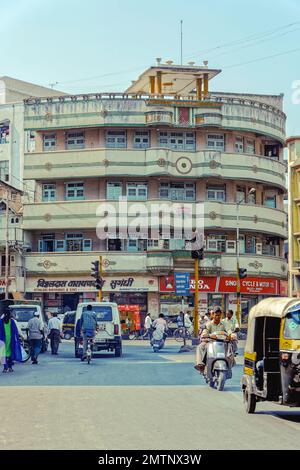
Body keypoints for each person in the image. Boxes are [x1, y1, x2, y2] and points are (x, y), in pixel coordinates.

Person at [194, 306, 229, 372]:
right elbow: (204, 333)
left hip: (223, 342)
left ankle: (230, 362)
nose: (217, 317)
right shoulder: (208, 324)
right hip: (210, 342)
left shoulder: (224, 324)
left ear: (221, 315)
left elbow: (229, 331)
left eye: (219, 315)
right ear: (213, 315)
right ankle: (200, 364)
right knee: (200, 346)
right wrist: (209, 335)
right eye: (216, 315)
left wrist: (232, 335)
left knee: (231, 345)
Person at [0, 308, 22, 373]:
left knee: (3, 354)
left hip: (2, 340)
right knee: (10, 353)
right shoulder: (12, 321)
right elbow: (16, 331)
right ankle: (10, 368)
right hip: (10, 339)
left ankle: (5, 368)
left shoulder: (1, 321)